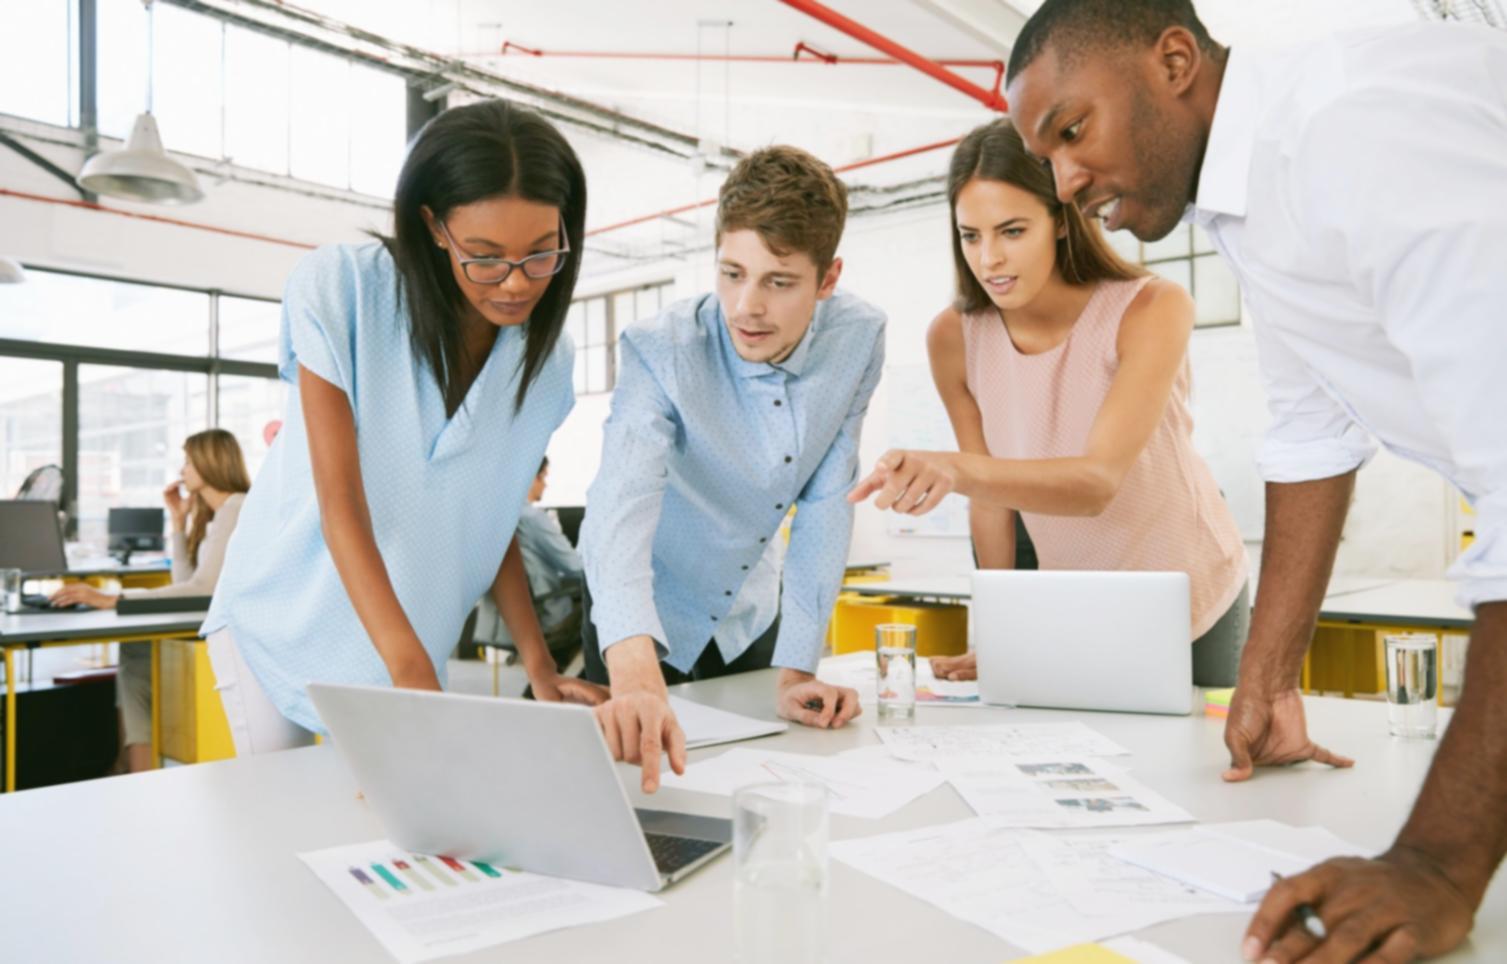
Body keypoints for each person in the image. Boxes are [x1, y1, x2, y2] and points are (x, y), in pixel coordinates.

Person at [1004, 1, 1507, 959]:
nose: (1064, 184)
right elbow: (1309, 433)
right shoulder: (1250, 196)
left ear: (1174, 61)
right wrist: (1268, 677)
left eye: (1071, 131)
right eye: (1045, 158)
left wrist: (1438, 862)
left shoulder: (1349, 129)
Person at [201, 99, 605, 755]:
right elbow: (340, 500)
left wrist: (539, 666)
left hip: (407, 643)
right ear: (433, 225)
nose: (514, 284)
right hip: (286, 615)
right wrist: (412, 673)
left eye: (540, 254)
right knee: (281, 811)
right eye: (484, 256)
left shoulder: (547, 359)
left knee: (396, 816)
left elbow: (492, 516)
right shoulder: (344, 288)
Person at [848, 118, 1248, 688]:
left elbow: (1097, 483)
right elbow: (991, 502)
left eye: (1012, 231)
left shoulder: (1152, 308)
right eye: (971, 236)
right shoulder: (954, 337)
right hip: (1072, 605)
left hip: (1191, 594)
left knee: (1197, 744)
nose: (989, 258)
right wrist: (996, 629)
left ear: (1061, 220)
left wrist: (955, 470)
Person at [579, 145, 885, 792]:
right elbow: (621, 500)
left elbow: (828, 499)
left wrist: (799, 668)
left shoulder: (859, 338)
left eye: (779, 282)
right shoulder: (660, 349)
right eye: (731, 273)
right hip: (638, 608)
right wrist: (632, 670)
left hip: (747, 612)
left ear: (827, 279)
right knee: (631, 790)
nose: (746, 306)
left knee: (756, 784)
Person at [50, 429, 250, 772]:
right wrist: (179, 522)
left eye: (188, 461)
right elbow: (185, 584)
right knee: (135, 651)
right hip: (212, 626)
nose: (182, 470)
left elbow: (203, 589)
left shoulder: (235, 507)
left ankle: (133, 766)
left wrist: (113, 599)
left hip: (232, 637)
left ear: (210, 462)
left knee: (136, 653)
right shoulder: (218, 515)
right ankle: (133, 763)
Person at [472, 456, 583, 659]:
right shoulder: (532, 518)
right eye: (543, 477)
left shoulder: (498, 516)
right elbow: (576, 567)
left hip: (507, 620)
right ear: (531, 477)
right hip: (548, 615)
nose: (545, 485)